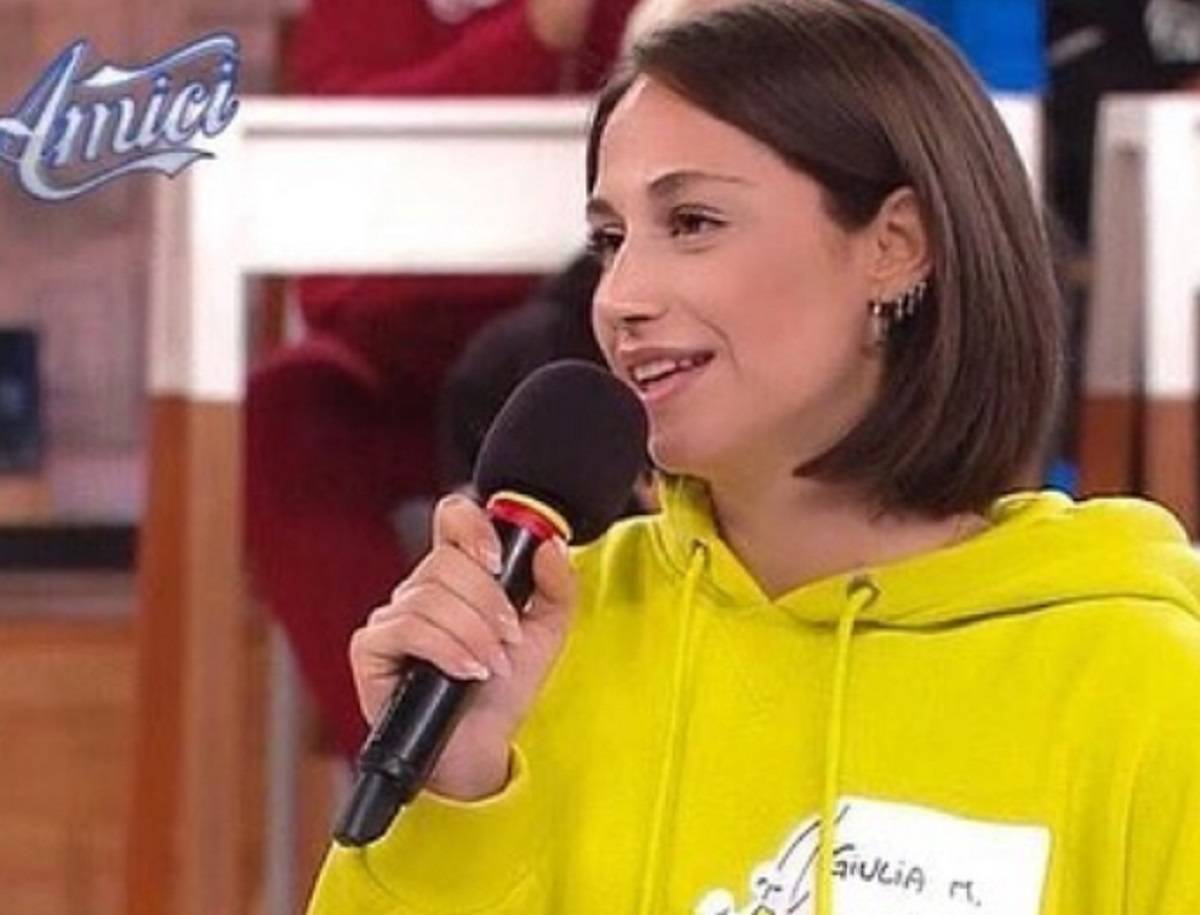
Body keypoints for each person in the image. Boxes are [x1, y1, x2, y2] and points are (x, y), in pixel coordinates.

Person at [306, 1, 1200, 913]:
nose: (620, 297)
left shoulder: (1140, 682)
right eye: (610, 240)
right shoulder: (535, 644)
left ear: (896, 246)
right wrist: (454, 797)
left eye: (692, 221)